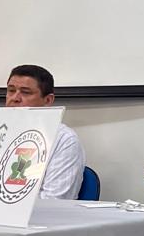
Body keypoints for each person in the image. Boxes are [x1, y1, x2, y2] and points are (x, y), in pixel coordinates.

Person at [5, 65, 86, 200]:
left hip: (36, 213)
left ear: (48, 100)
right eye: (11, 90)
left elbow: (55, 199)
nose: (15, 98)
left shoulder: (65, 140)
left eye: (25, 92)